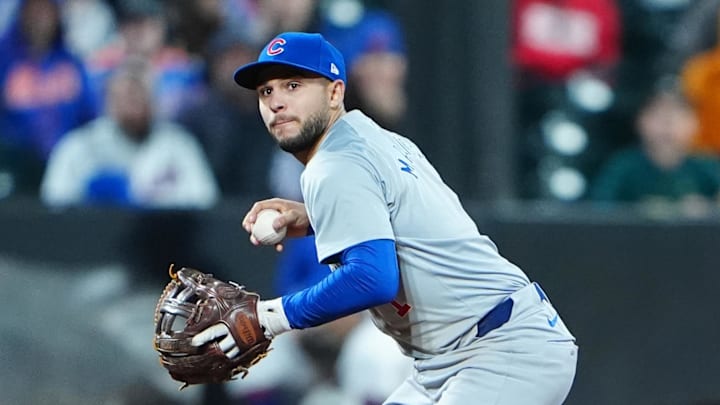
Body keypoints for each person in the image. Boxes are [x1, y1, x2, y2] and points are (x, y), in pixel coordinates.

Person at [192, 32, 578, 404]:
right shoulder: (377, 139)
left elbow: (371, 279)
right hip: (463, 352)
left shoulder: (335, 164)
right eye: (266, 91)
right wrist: (313, 218)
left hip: (500, 351)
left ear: (334, 92)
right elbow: (406, 222)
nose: (276, 102)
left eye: (293, 86)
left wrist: (268, 317)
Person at [40, 61, 219, 209]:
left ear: (154, 99)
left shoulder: (179, 144)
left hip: (167, 241)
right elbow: (54, 203)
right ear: (109, 101)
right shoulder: (78, 146)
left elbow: (205, 201)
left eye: (140, 92)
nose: (133, 100)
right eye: (125, 94)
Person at [590, 77, 720, 214]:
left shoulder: (707, 166)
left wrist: (707, 209)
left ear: (694, 123)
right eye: (658, 115)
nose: (667, 125)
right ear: (640, 121)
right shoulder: (623, 166)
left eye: (677, 116)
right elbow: (599, 209)